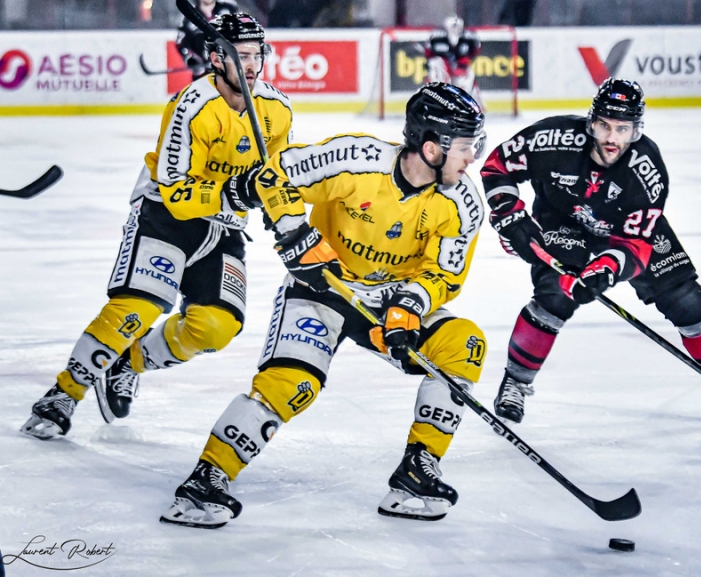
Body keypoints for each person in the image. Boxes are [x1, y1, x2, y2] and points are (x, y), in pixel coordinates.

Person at [159, 82, 487, 529]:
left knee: (463, 344)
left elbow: (444, 275)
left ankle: (417, 470)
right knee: (293, 384)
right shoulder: (356, 160)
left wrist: (408, 307)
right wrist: (297, 235)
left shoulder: (463, 201)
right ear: (432, 147)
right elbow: (274, 176)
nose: (473, 158)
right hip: (321, 291)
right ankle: (208, 478)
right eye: (467, 147)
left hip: (387, 303)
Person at [21, 13, 293, 440]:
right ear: (217, 58)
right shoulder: (190, 107)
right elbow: (175, 192)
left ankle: (127, 363)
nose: (252, 66)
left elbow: (274, 176)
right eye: (241, 56)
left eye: (256, 55)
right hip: (165, 217)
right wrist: (237, 192)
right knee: (137, 309)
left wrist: (283, 211)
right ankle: (63, 394)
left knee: (217, 327)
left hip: (224, 230)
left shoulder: (277, 109)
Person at [480, 77, 701, 426]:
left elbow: (636, 245)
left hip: (627, 231)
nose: (611, 138)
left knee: (686, 299)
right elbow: (497, 165)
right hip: (563, 221)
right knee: (556, 293)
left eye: (622, 129)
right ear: (591, 122)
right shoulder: (553, 140)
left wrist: (607, 268)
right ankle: (516, 382)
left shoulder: (647, 171)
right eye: (603, 126)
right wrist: (509, 215)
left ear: (636, 131)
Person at [424, 16, 483, 110]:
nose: (455, 30)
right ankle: (435, 102)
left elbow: (475, 51)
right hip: (443, 68)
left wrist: (463, 62)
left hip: (460, 67)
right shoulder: (436, 38)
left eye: (457, 27)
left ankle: (466, 105)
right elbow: (429, 54)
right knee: (436, 68)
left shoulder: (469, 38)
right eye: (453, 27)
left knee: (467, 76)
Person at [177, 0, 239, 80]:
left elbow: (240, 34)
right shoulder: (188, 15)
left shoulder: (229, 9)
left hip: (230, 71)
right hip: (204, 75)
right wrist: (194, 60)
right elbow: (181, 45)